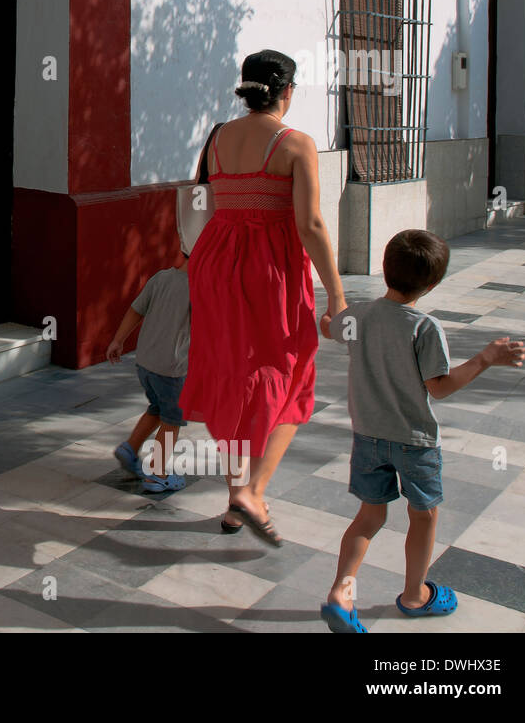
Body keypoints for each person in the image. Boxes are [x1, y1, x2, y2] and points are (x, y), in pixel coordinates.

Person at [320, 229, 525, 632]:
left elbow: (330, 326)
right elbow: (441, 387)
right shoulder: (425, 327)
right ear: (433, 284)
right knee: (424, 515)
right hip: (414, 442)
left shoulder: (358, 316)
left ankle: (341, 594)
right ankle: (415, 594)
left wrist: (331, 314)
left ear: (384, 271)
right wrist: (486, 358)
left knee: (368, 518)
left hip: (367, 437)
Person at [179, 49, 346, 545]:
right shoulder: (295, 143)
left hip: (215, 263)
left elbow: (200, 199)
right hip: (268, 268)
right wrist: (337, 296)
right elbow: (311, 224)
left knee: (233, 372)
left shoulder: (217, 138)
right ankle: (253, 490)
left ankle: (236, 501)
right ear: (287, 91)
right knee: (291, 374)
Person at [105, 248, 191, 493]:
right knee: (172, 420)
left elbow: (136, 310)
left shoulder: (161, 277)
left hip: (145, 364)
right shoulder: (198, 289)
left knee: (156, 408)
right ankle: (158, 474)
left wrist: (118, 340)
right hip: (172, 369)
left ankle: (130, 449)